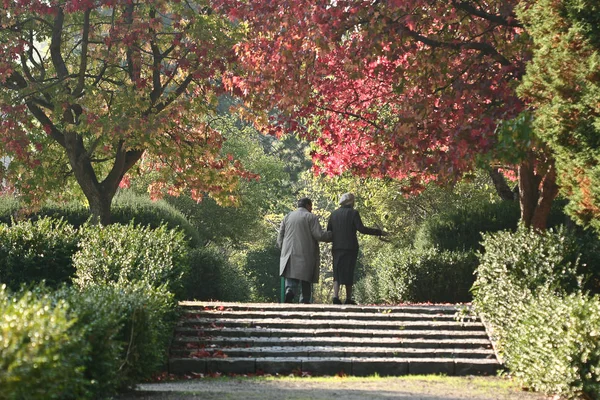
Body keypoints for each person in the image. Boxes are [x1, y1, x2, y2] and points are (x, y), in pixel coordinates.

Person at [327, 192, 387, 305]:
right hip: (351, 247)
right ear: (351, 202)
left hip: (337, 247)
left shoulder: (334, 214)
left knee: (337, 271)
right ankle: (348, 298)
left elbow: (329, 230)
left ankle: (335, 296)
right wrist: (378, 232)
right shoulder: (353, 213)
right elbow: (361, 229)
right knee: (349, 271)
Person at [277, 197, 332, 304]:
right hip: (305, 252)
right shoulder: (310, 217)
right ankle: (305, 300)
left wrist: (282, 247)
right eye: (311, 206)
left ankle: (290, 291)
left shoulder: (288, 216)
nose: (311, 209)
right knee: (306, 278)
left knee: (291, 275)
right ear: (307, 205)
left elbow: (280, 235)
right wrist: (331, 235)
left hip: (288, 252)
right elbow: (318, 234)